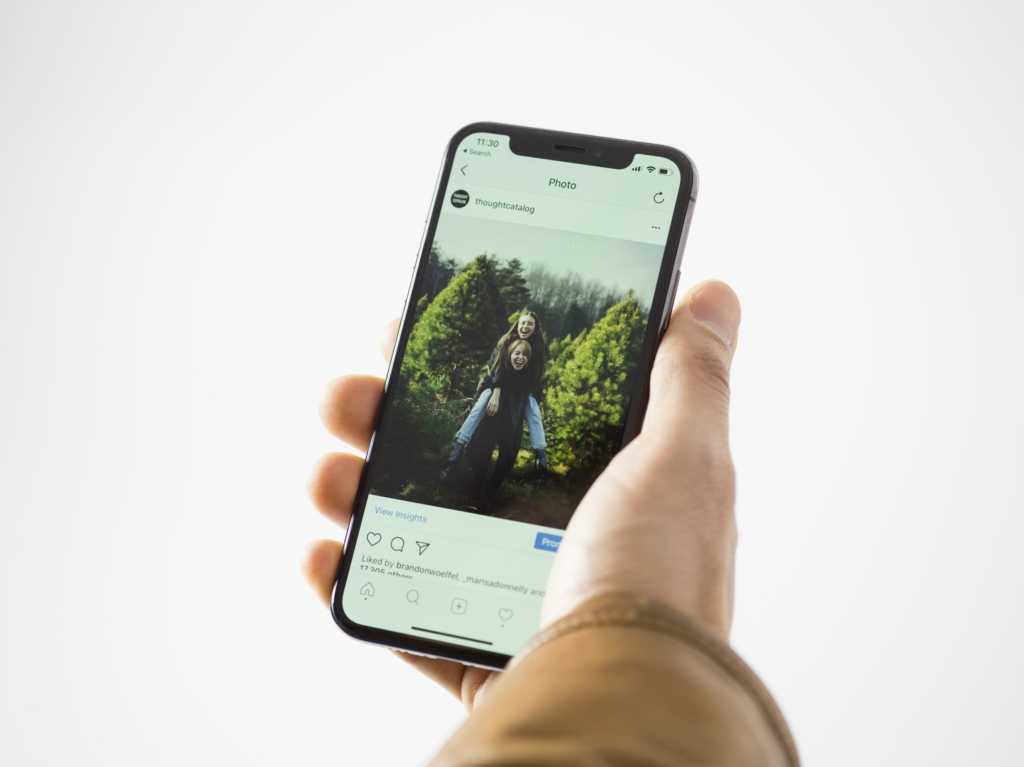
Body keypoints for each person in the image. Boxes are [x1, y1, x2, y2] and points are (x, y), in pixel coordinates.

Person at [303, 281, 800, 766]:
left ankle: (480, 490)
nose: (521, 346)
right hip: (493, 412)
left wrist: (539, 452)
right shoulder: (498, 368)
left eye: (528, 340)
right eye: (517, 336)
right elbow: (478, 410)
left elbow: (535, 413)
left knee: (500, 464)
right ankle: (460, 479)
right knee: (476, 449)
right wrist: (466, 430)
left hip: (561, 655)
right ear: (510, 339)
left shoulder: (529, 378)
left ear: (532, 346)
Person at [441, 311, 549, 484]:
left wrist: (527, 398)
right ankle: (455, 454)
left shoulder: (537, 348)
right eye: (523, 323)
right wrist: (497, 391)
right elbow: (495, 367)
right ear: (518, 323)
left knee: (534, 409)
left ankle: (543, 462)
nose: (525, 327)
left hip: (519, 390)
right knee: (482, 403)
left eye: (530, 324)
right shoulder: (506, 340)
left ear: (535, 328)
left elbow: (535, 376)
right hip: (493, 384)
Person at [463, 337, 539, 511]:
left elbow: (536, 398)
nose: (521, 357)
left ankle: (487, 497)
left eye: (525, 355)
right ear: (510, 354)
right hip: (491, 421)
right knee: (481, 456)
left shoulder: (529, 378)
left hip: (512, 426)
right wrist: (490, 397)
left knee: (505, 462)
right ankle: (474, 491)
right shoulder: (499, 372)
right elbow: (482, 389)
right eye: (517, 353)